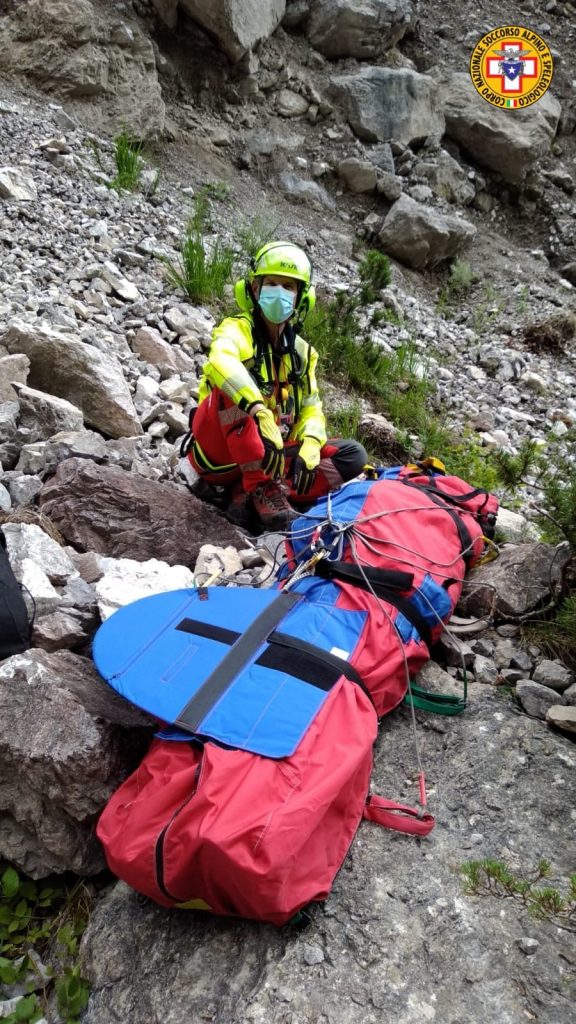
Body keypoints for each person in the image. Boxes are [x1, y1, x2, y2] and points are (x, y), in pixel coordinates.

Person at [183, 241, 368, 531]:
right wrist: (258, 410)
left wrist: (310, 443)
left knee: (352, 456)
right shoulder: (236, 328)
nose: (279, 292)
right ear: (254, 289)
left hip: (271, 452)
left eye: (289, 287)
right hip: (219, 455)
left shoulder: (304, 354)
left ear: (301, 298)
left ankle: (253, 494)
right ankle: (260, 488)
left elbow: (311, 408)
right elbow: (222, 360)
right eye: (271, 283)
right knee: (230, 390)